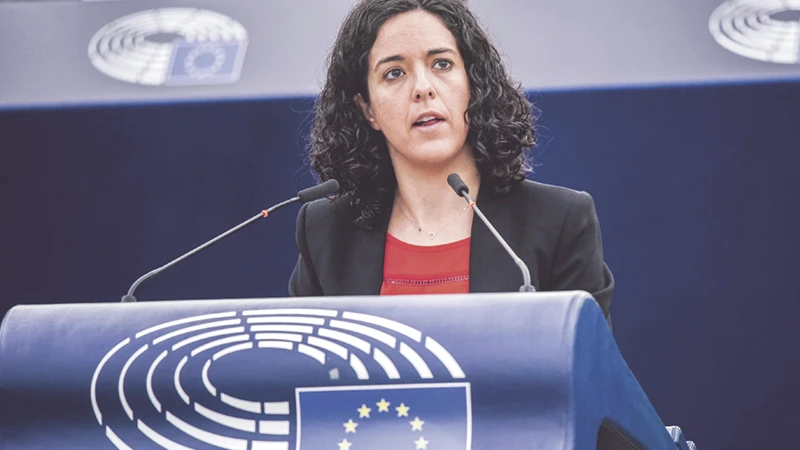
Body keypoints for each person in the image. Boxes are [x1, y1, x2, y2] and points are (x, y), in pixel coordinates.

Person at [289, 0, 615, 327]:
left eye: (442, 64)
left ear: (473, 84)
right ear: (368, 109)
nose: (423, 88)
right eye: (394, 73)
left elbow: (586, 357)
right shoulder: (326, 233)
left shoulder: (558, 221)